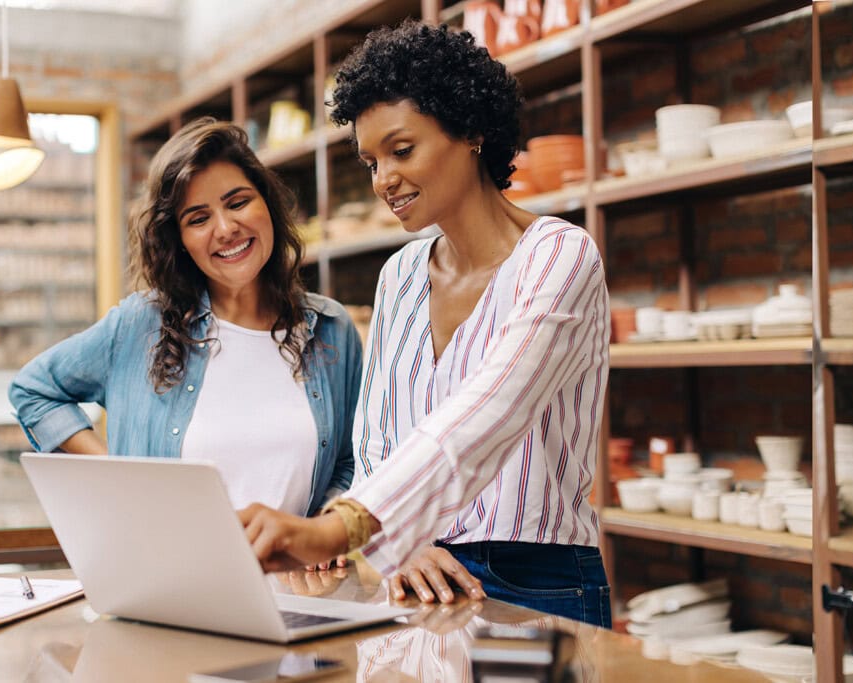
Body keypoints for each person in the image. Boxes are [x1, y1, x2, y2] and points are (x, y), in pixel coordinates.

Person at [238, 20, 611, 626]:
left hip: (537, 582)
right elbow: (377, 438)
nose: (384, 179)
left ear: (471, 132)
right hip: (414, 573)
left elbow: (489, 415)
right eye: (370, 161)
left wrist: (341, 529)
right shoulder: (401, 274)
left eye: (402, 150)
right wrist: (401, 545)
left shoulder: (558, 256)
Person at [9, 117, 362, 522]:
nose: (226, 228)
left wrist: (325, 527)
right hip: (169, 578)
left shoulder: (331, 329)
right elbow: (33, 390)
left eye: (238, 202)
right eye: (198, 218)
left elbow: (350, 462)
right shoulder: (141, 324)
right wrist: (116, 471)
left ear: (268, 204)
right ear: (178, 240)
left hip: (290, 585)